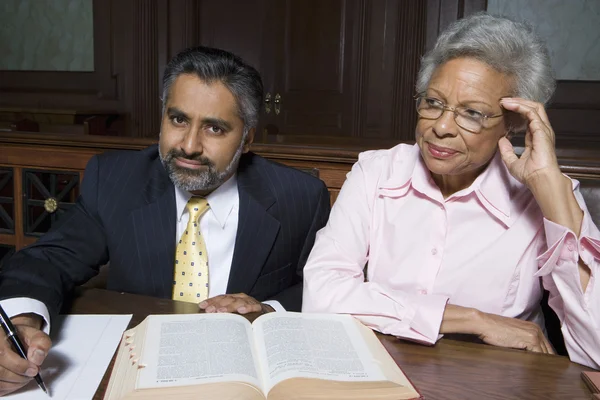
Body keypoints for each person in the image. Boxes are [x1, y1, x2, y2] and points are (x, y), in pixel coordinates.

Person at [0, 46, 330, 395]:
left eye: (215, 129)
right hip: (137, 374)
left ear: (247, 138)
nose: (189, 145)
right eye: (178, 120)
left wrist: (268, 307)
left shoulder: (300, 197)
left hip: (242, 381)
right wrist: (22, 322)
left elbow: (324, 285)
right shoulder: (116, 181)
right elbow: (47, 259)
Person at [302, 12, 600, 369]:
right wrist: (475, 320)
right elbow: (321, 295)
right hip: (382, 371)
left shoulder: (545, 194)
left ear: (514, 122)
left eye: (472, 113)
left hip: (496, 383)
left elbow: (594, 351)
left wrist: (551, 191)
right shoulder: (377, 172)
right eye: (433, 103)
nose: (441, 127)